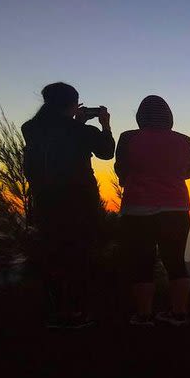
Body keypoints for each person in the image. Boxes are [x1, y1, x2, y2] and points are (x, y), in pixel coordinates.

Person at [22, 82, 115, 327]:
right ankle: (76, 312)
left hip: (45, 199)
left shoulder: (31, 128)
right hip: (79, 200)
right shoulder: (82, 131)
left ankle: (55, 310)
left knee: (53, 252)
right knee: (79, 253)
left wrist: (77, 122)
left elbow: (57, 141)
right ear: (73, 104)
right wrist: (104, 124)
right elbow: (106, 152)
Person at [115, 95, 190, 326]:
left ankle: (144, 316)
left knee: (142, 263)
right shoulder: (185, 140)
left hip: (137, 210)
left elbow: (120, 169)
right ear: (169, 117)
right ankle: (179, 314)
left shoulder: (128, 137)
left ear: (140, 117)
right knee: (175, 262)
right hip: (176, 208)